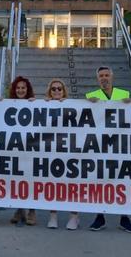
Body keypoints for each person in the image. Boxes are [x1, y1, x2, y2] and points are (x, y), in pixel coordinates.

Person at [85, 66, 131, 233]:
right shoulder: (90, 97)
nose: (104, 78)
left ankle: (124, 218)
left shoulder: (124, 95)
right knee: (100, 182)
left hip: (120, 146)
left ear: (112, 77)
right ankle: (100, 217)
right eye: (101, 76)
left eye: (107, 75)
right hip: (100, 147)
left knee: (122, 182)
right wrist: (88, 105)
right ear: (97, 78)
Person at [44, 79, 79, 230]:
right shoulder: (44, 105)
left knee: (72, 185)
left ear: (64, 91)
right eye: (53, 89)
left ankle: (74, 216)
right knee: (53, 184)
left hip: (70, 151)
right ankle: (53, 216)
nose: (57, 91)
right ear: (49, 92)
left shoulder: (73, 105)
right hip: (52, 151)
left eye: (59, 89)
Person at [7, 76, 37, 226]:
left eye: (23, 88)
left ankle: (32, 211)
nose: (20, 90)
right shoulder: (8, 104)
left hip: (31, 149)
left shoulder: (34, 104)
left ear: (28, 89)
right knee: (17, 180)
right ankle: (19, 210)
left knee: (31, 179)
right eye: (18, 88)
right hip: (15, 148)